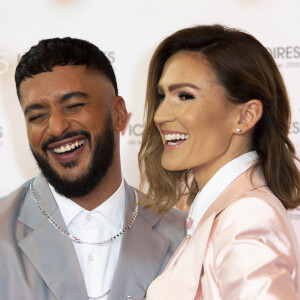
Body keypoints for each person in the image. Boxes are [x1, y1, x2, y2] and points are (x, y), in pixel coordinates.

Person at [0, 37, 186, 300]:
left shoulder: (182, 236)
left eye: (74, 105)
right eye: (37, 116)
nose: (56, 127)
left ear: (119, 114)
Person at [138, 24, 300, 299]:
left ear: (245, 116)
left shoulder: (247, 216)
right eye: (162, 96)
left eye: (184, 96)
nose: (160, 115)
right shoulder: (220, 212)